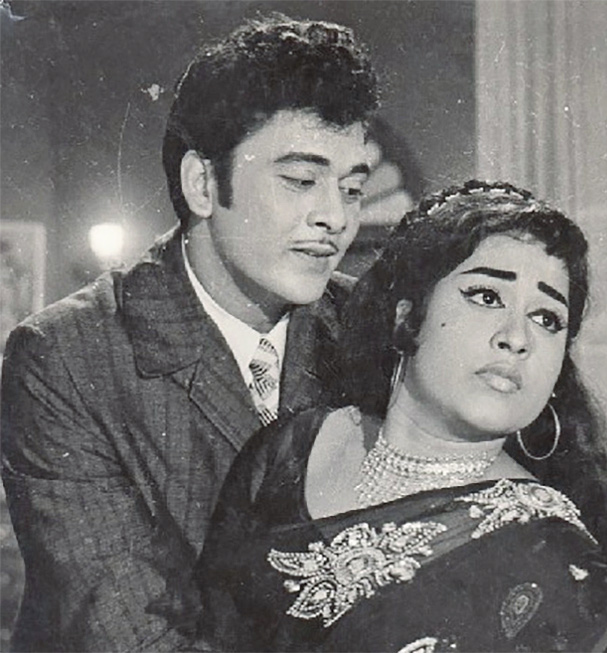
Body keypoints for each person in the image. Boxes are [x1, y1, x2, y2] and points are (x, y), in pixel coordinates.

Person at [0, 14, 379, 652]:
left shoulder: (366, 324)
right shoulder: (66, 356)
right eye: (301, 180)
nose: (336, 217)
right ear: (202, 184)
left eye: (353, 187)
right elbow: (130, 637)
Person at [194, 180, 607, 652]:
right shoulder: (291, 447)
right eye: (487, 296)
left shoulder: (558, 567)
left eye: (547, 319)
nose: (517, 338)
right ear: (407, 317)